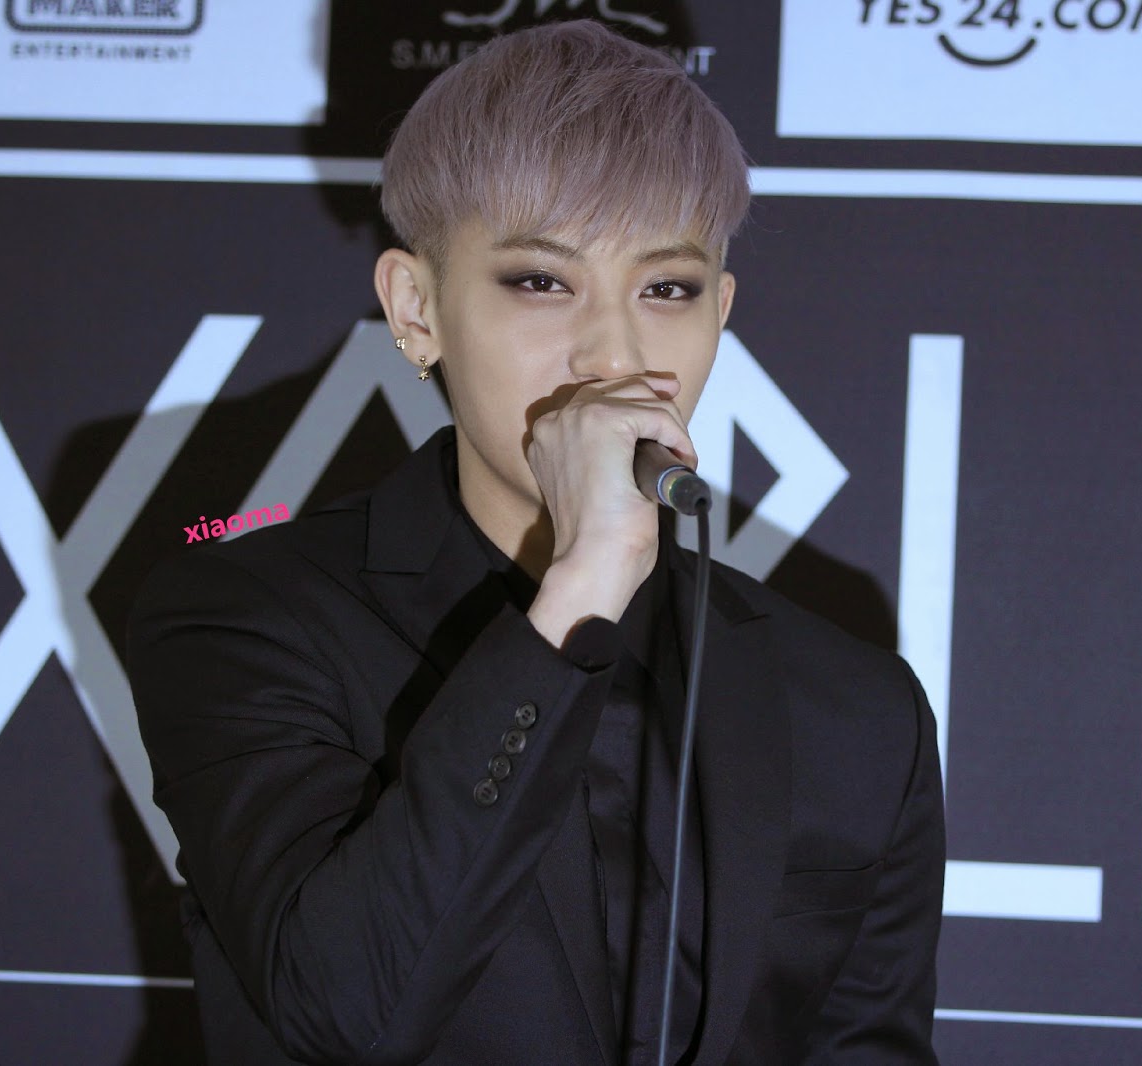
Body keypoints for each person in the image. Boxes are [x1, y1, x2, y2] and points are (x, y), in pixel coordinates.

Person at [127, 18, 945, 1065]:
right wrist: (580, 587)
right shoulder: (246, 620)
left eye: (667, 288)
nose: (614, 354)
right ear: (416, 309)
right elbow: (347, 1013)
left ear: (721, 312)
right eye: (541, 281)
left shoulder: (854, 705)